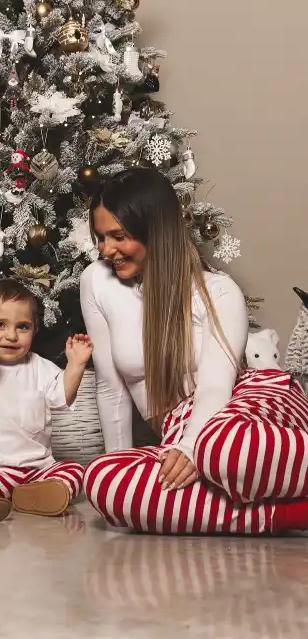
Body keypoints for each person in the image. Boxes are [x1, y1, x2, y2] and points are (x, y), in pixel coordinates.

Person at [81, 168, 308, 534]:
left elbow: (216, 388)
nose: (106, 250)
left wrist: (191, 447)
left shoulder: (218, 291)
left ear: (155, 231)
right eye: (100, 237)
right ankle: (295, 513)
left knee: (218, 448)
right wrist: (120, 462)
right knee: (104, 480)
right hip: (178, 431)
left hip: (246, 408)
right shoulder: (97, 281)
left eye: (117, 236)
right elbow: (111, 388)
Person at [0, 279, 92, 523]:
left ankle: (31, 497)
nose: (11, 336)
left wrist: (76, 364)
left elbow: (62, 398)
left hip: (35, 470)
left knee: (75, 471)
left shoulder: (41, 368)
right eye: (0, 324)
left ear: (35, 330)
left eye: (23, 327)